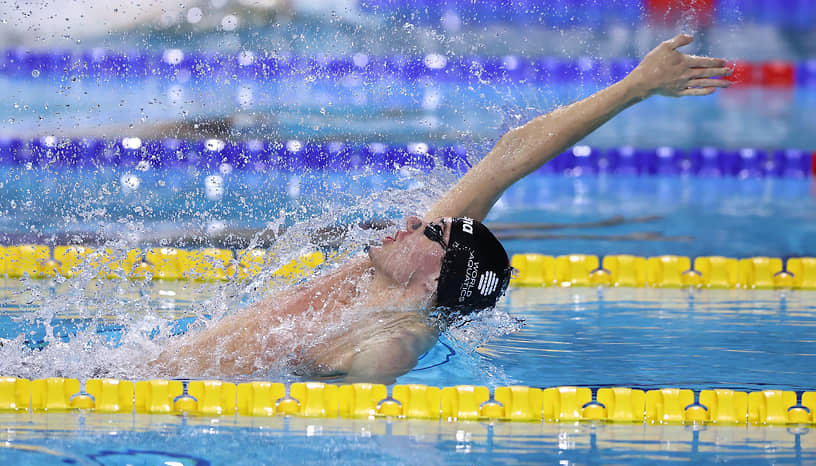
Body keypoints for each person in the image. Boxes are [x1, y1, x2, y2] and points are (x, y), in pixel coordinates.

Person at [152, 34, 732, 383]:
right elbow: (509, 156)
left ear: (438, 273)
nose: (411, 220)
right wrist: (633, 86)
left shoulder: (385, 347)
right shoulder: (381, 282)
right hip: (136, 376)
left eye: (428, 232)